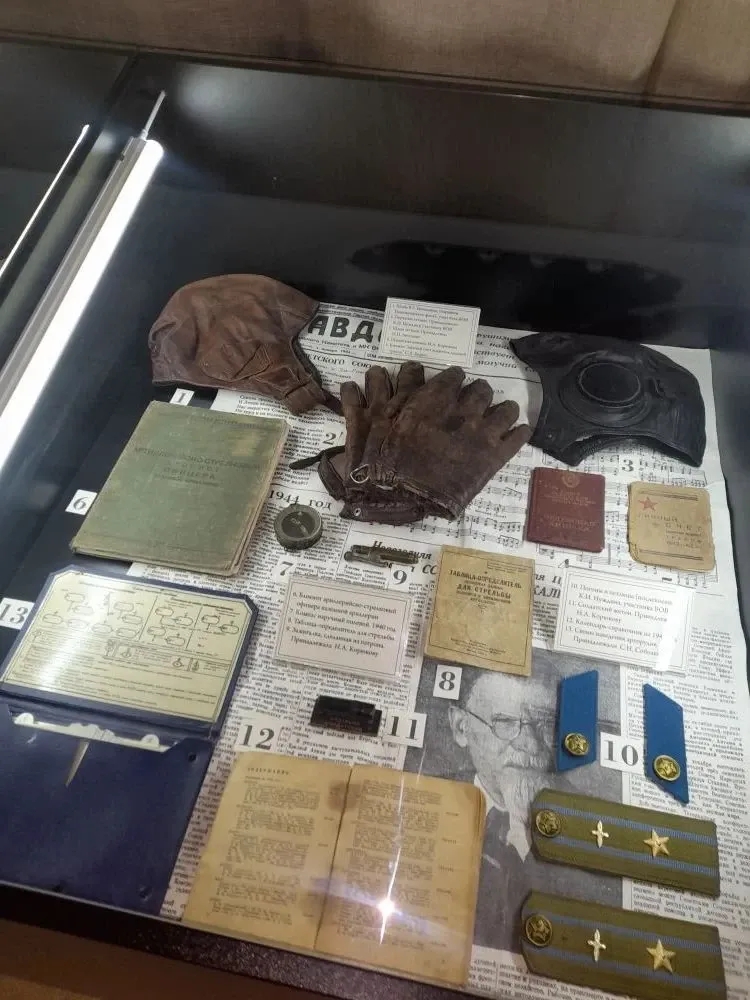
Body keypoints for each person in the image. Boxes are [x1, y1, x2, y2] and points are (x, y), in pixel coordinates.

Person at [447, 658, 621, 953]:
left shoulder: (600, 828)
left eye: (545, 724)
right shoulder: (428, 795)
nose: (530, 743)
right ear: (461, 727)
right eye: (505, 723)